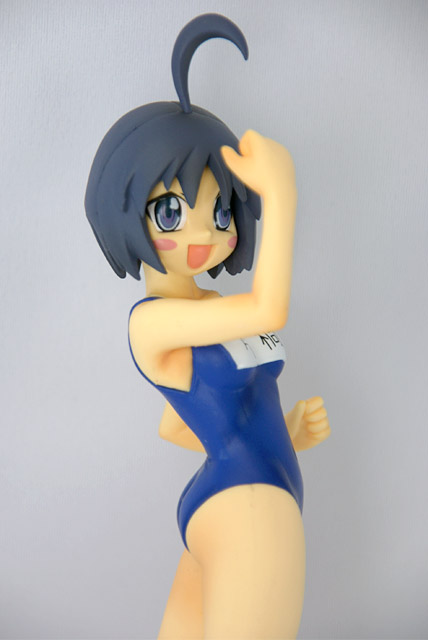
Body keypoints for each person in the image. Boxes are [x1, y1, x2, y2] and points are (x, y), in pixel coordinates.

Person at [86, 14, 330, 639]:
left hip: (228, 502)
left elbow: (177, 422)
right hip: (250, 511)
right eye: (171, 211)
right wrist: (283, 196)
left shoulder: (206, 310)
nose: (203, 232)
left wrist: (284, 431)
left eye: (219, 210)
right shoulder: (153, 325)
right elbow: (268, 311)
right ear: (124, 211)